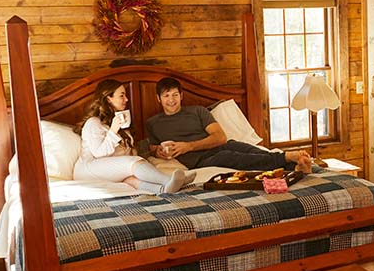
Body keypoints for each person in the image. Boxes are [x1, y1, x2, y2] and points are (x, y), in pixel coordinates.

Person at [146, 77, 312, 173]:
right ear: (158, 99)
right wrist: (158, 151)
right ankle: (287, 158)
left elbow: (220, 137)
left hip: (220, 146)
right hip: (201, 160)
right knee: (232, 158)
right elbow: (150, 148)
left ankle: (295, 166)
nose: (171, 100)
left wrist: (188, 146)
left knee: (252, 150)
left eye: (175, 94)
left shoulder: (198, 111)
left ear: (181, 96)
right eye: (166, 96)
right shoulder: (153, 123)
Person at [73, 79, 191, 194]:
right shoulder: (94, 122)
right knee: (132, 162)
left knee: (131, 180)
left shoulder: (119, 123)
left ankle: (164, 189)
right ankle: (169, 180)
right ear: (109, 98)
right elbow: (99, 153)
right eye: (122, 96)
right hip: (89, 170)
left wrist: (151, 151)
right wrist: (114, 130)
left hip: (107, 169)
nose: (127, 99)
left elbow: (126, 152)